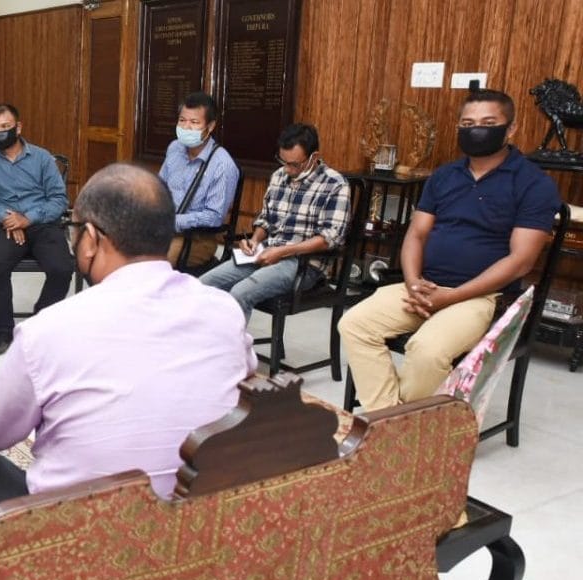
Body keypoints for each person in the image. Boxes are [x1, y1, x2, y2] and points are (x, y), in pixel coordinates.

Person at [0, 163, 257, 516]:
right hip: (202, 518)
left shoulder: (51, 330)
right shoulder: (223, 310)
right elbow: (248, 386)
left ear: (90, 238)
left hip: (85, 536)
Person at [339, 89, 559, 411]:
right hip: (425, 286)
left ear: (511, 128)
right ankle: (389, 416)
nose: (476, 130)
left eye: (488, 122)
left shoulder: (533, 183)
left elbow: (521, 261)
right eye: (467, 123)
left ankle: (397, 423)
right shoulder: (444, 176)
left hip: (480, 297)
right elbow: (416, 234)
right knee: (354, 324)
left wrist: (451, 297)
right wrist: (414, 281)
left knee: (426, 350)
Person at [199, 123, 350, 319]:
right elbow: (266, 220)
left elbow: (330, 238)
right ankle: (203, 342)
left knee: (240, 293)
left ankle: (232, 348)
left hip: (303, 264)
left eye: (294, 164)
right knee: (203, 284)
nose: (287, 169)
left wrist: (283, 252)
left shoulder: (335, 184)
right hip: (268, 251)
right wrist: (254, 241)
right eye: (283, 161)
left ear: (315, 157)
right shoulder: (279, 176)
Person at [0, 103, 72, 356]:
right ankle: (4, 332)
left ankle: (39, 324)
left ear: (18, 127)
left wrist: (27, 219)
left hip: (42, 224)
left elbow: (59, 200)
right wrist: (9, 219)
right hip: (7, 225)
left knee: (62, 268)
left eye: (5, 127)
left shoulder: (41, 157)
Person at [159, 92, 240, 270]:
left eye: (194, 122)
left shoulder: (222, 164)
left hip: (196, 239)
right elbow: (158, 188)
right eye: (182, 120)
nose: (186, 127)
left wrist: (176, 221)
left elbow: (214, 217)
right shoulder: (175, 148)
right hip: (162, 229)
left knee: (155, 265)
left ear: (210, 126)